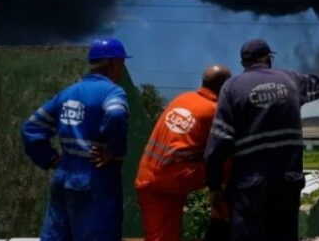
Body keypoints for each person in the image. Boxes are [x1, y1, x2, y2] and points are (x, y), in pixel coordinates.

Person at [205, 38, 319, 241]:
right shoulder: (291, 79)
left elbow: (218, 143)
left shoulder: (231, 88)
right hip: (288, 180)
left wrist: (214, 187)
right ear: (269, 58)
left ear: (244, 63)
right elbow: (317, 84)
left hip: (250, 185)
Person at [21, 38, 131, 241]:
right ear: (115, 63)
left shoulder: (68, 92)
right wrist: (114, 151)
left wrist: (51, 159)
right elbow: (116, 114)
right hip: (95, 178)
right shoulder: (112, 92)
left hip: (63, 176)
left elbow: (31, 127)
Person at [135, 64, 232, 241]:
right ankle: (220, 221)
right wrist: (215, 189)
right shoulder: (214, 111)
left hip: (147, 176)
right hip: (175, 177)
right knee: (230, 159)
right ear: (224, 88)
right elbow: (220, 151)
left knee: (159, 236)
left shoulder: (183, 98)